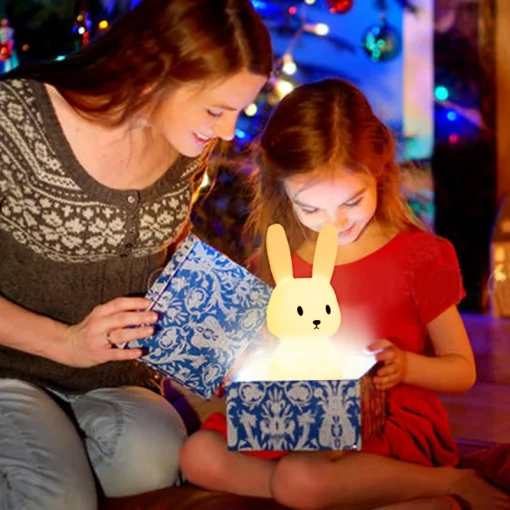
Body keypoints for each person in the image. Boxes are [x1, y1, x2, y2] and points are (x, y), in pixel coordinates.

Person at [179, 79, 510, 510]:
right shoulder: (278, 261)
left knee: (301, 478)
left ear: (379, 171)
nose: (333, 223)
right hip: (298, 419)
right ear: (283, 191)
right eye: (311, 208)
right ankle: (361, 493)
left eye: (351, 202)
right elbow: (266, 353)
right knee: (197, 455)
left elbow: (462, 370)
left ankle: (447, 482)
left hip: (387, 424)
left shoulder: (418, 255)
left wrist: (404, 366)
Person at [0, 1, 272, 509]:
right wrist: (67, 341)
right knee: (57, 497)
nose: (230, 131)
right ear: (153, 73)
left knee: (155, 460)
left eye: (239, 109)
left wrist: (227, 339)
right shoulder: (16, 119)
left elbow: (163, 263)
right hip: (10, 367)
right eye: (216, 109)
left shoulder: (188, 146)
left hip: (116, 379)